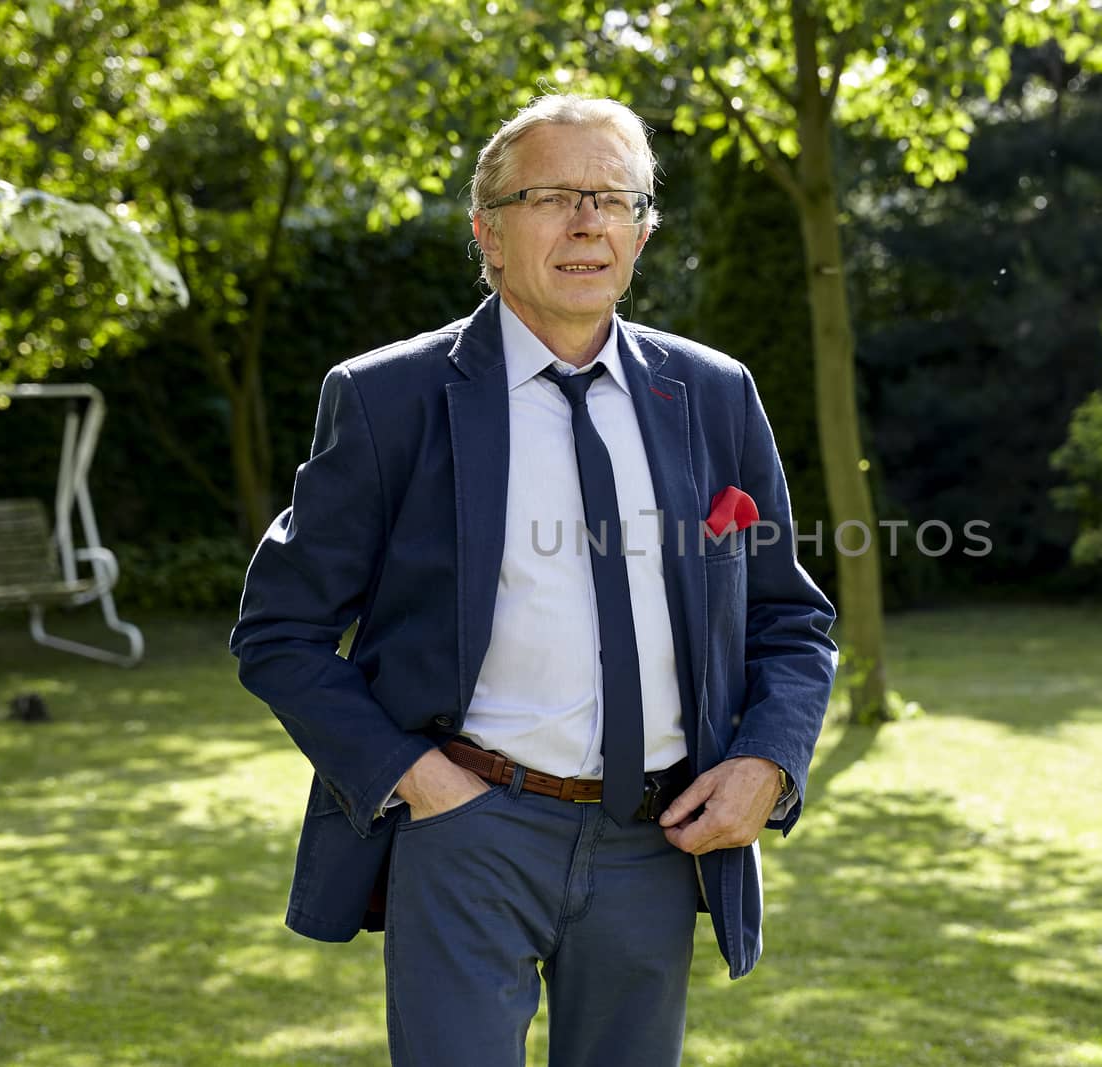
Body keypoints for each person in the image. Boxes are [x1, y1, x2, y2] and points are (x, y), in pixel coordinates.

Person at [230, 93, 837, 1067]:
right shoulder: (388, 399)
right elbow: (279, 630)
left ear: (643, 230)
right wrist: (413, 778)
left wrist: (769, 761)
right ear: (489, 230)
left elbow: (788, 618)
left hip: (657, 842)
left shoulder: (715, 394)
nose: (587, 221)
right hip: (470, 826)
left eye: (613, 197)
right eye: (553, 195)